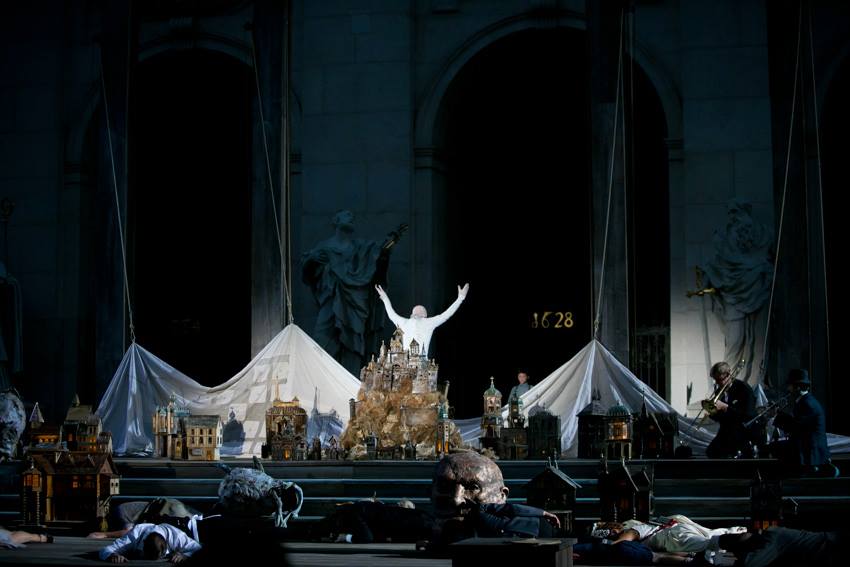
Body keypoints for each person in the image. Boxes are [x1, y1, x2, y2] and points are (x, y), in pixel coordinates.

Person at [301, 210, 407, 375]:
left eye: (352, 217)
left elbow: (379, 252)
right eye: (346, 215)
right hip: (331, 304)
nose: (351, 217)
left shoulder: (359, 248)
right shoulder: (324, 247)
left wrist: (391, 241)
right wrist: (311, 260)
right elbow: (308, 276)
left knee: (353, 346)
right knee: (322, 341)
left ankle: (351, 383)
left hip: (355, 306)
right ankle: (319, 379)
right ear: (336, 221)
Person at [697, 199, 773, 386]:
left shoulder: (759, 238)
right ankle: (725, 385)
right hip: (733, 300)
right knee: (735, 341)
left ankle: (752, 382)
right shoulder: (726, 244)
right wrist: (705, 276)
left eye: (735, 213)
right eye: (730, 214)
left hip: (755, 294)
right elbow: (717, 267)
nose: (732, 218)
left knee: (754, 343)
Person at [430, 451, 559, 545]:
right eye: (444, 486)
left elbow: (512, 509)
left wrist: (543, 513)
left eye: (473, 488)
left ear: (502, 495)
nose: (456, 500)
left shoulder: (482, 509)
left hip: (534, 530)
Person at [374, 283, 468, 358]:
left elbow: (446, 315)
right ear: (411, 315)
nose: (417, 313)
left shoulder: (429, 323)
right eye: (416, 311)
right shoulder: (404, 322)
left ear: (425, 316)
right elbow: (392, 314)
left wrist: (460, 298)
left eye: (420, 311)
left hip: (422, 364)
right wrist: (385, 298)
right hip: (406, 364)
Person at [771, 369, 837, 477]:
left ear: (797, 387)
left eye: (790, 386)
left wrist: (777, 415)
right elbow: (796, 423)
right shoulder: (805, 401)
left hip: (810, 449)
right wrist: (778, 414)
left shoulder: (808, 403)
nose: (788, 389)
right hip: (805, 444)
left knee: (774, 449)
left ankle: (813, 469)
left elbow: (796, 427)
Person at [705, 361, 756, 459]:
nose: (718, 383)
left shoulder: (743, 388)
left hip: (742, 432)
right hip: (726, 432)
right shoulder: (719, 391)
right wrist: (712, 412)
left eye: (720, 379)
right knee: (711, 452)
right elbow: (722, 418)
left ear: (728, 375)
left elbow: (748, 415)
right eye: (716, 380)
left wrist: (725, 407)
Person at [98, 523, 201, 563]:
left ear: (166, 544)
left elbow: (198, 548)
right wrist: (113, 555)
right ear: (143, 544)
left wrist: (186, 555)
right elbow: (106, 549)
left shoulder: (177, 536)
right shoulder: (134, 535)